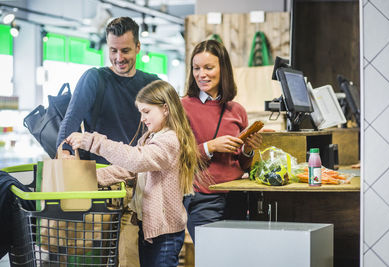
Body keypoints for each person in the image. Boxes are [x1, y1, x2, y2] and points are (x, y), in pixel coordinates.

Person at [56, 17, 158, 267]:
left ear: (138, 47)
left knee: (133, 260)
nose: (119, 58)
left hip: (140, 192)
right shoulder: (95, 79)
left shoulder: (152, 83)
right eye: (113, 50)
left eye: (125, 50)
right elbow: (66, 134)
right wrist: (66, 157)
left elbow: (164, 136)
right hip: (99, 191)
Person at [66, 80, 199, 267]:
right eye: (141, 113)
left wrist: (92, 141)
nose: (142, 118)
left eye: (146, 112)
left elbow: (136, 160)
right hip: (150, 229)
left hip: (165, 234)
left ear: (166, 109)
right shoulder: (150, 138)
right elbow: (126, 169)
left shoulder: (169, 140)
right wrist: (88, 178)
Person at [181, 40, 263, 242]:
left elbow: (242, 165)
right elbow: (176, 156)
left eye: (209, 68)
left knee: (235, 258)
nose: (202, 74)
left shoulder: (237, 110)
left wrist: (248, 150)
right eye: (196, 68)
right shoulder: (182, 107)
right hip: (203, 198)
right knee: (212, 257)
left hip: (237, 196)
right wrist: (211, 146)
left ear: (223, 69)